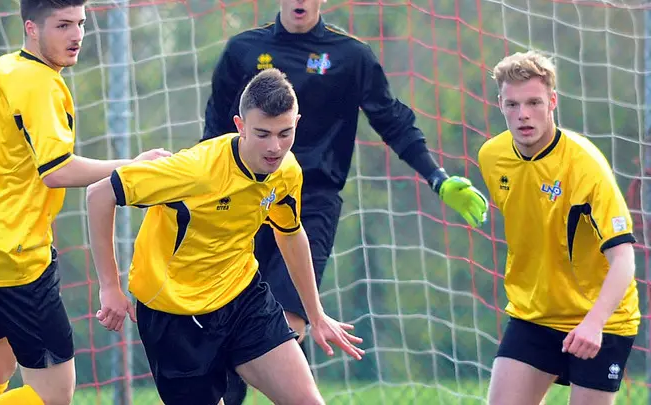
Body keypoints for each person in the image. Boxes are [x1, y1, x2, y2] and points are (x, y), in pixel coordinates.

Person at [203, 0, 489, 402]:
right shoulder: (243, 50)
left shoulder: (350, 56)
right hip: (243, 197)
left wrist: (437, 178)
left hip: (311, 201)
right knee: (230, 318)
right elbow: (214, 129)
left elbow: (392, 119)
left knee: (288, 319)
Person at [0, 1, 170, 404]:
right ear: (31, 28)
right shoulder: (41, 83)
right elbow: (57, 170)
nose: (76, 35)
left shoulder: (1, 68)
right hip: (18, 260)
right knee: (53, 397)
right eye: (63, 25)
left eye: (80, 23)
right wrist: (134, 165)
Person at [86, 68, 364, 405]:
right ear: (240, 125)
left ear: (297, 123)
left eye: (284, 133)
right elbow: (99, 195)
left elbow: (290, 234)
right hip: (175, 315)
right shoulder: (195, 171)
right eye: (262, 134)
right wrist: (109, 287)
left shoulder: (287, 170)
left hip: (242, 298)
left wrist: (316, 314)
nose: (275, 147)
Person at [479, 50, 639, 405]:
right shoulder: (491, 156)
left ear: (552, 101)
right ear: (500, 105)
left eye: (534, 102)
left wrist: (594, 323)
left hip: (602, 318)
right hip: (533, 315)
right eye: (512, 104)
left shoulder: (585, 165)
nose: (523, 115)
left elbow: (624, 259)